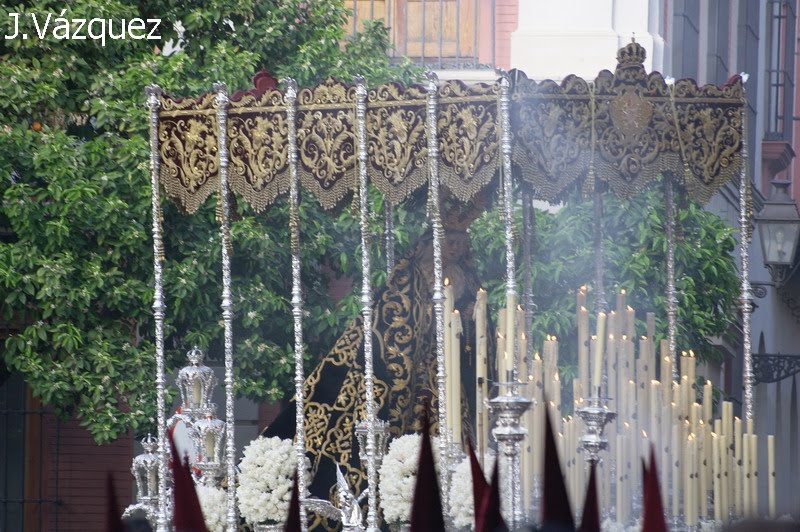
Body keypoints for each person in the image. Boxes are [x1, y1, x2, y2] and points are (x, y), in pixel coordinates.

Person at [263, 192, 488, 524]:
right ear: (432, 241)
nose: (454, 247)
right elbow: (392, 322)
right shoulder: (410, 273)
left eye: (460, 241)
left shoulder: (469, 279)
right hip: (410, 370)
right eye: (448, 239)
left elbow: (478, 329)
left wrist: (466, 320)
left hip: (447, 372)